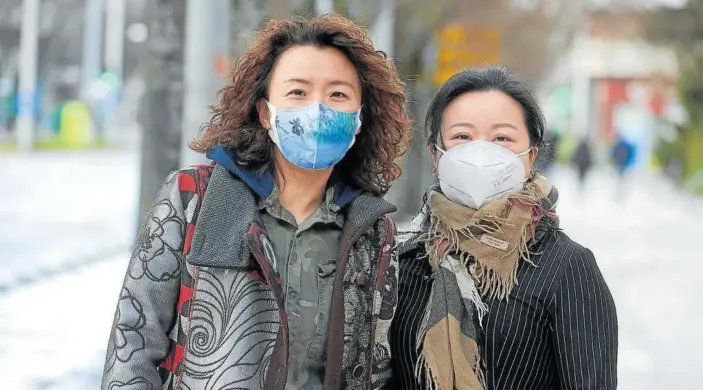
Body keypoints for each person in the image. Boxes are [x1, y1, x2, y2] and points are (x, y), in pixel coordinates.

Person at [101, 14, 412, 390]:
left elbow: (376, 368)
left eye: (338, 95)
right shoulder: (193, 198)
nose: (318, 109)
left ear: (359, 118)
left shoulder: (372, 229)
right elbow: (133, 344)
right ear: (265, 112)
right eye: (298, 92)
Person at [388, 67, 618, 390]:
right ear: (435, 156)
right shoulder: (405, 264)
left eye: (502, 139)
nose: (481, 153)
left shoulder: (566, 268)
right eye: (462, 137)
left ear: (531, 156)